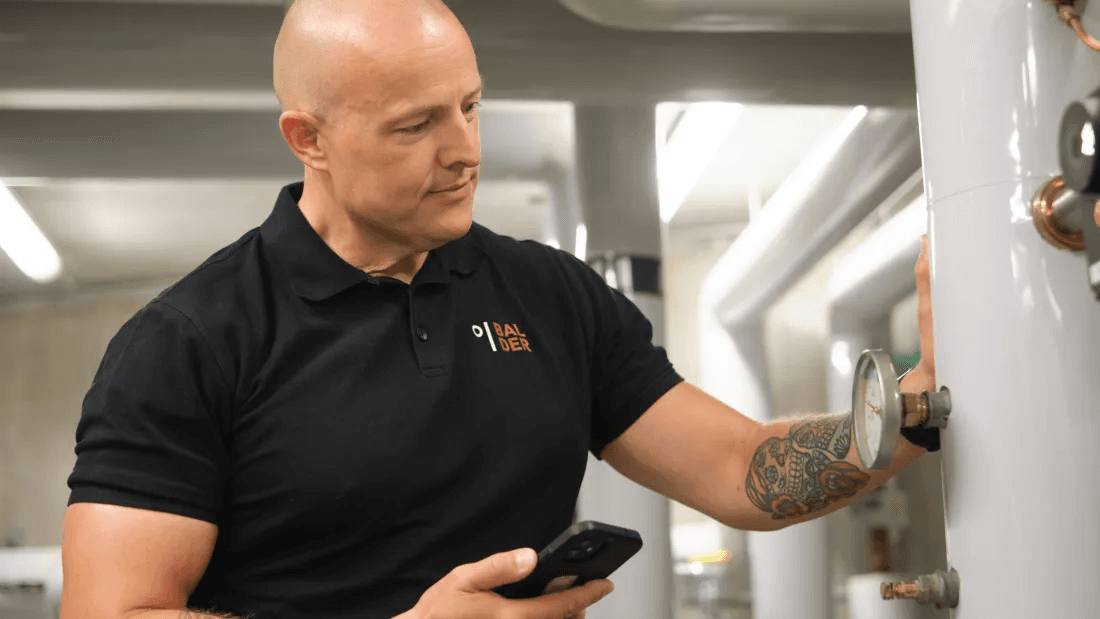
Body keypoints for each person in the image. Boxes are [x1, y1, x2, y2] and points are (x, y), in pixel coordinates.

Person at [58, 1, 939, 618]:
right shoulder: (190, 341)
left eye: (472, 106)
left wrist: (908, 412)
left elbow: (743, 468)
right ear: (309, 138)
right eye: (415, 126)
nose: (465, 151)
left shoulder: (550, 296)